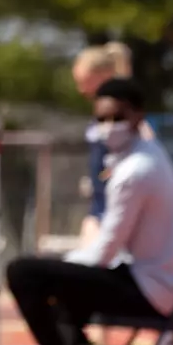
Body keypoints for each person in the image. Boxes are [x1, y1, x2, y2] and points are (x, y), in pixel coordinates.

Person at [5, 77, 173, 345]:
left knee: (24, 273)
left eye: (116, 117)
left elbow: (104, 252)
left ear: (137, 117)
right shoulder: (144, 156)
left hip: (154, 290)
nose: (107, 128)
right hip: (152, 278)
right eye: (100, 119)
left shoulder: (136, 170)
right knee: (57, 289)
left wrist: (59, 266)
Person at [70, 42, 151, 240]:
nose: (81, 90)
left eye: (85, 81)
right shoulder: (100, 116)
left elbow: (146, 146)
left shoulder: (127, 119)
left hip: (118, 212)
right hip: (99, 210)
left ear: (102, 76)